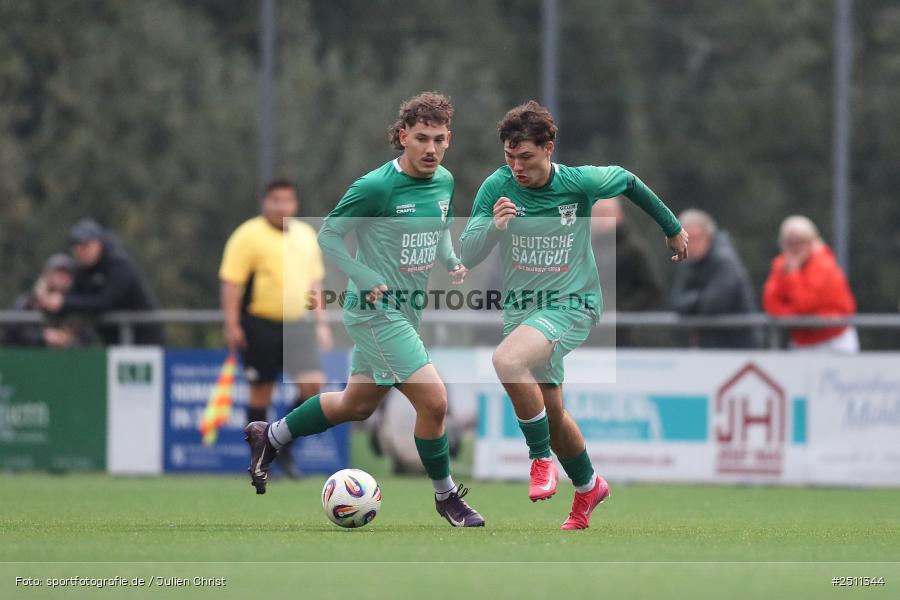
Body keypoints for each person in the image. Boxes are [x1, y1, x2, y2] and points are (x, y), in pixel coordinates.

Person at [243, 92, 484, 527]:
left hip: (407, 311)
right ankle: (447, 496)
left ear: (449, 139)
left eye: (439, 139)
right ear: (402, 136)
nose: (431, 149)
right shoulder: (376, 187)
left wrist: (451, 260)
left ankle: (270, 435)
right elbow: (329, 237)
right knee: (434, 400)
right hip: (375, 311)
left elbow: (442, 228)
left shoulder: (444, 181)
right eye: (421, 138)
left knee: (356, 405)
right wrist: (365, 275)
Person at [460, 101, 688, 530]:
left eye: (525, 157)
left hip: (573, 302)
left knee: (507, 361)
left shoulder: (579, 182)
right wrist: (493, 225)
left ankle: (539, 459)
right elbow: (468, 253)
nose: (517, 167)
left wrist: (671, 226)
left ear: (549, 148)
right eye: (509, 157)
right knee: (554, 413)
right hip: (523, 312)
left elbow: (629, 181)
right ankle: (588, 487)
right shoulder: (497, 187)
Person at [219, 179, 333, 476]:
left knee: (313, 387)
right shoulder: (247, 235)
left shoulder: (306, 234)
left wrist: (322, 323)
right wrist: (232, 324)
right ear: (265, 202)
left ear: (295, 204)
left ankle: (283, 447)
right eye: (275, 201)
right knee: (261, 395)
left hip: (299, 325)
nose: (282, 207)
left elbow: (315, 283)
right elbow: (231, 282)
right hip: (260, 325)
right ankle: (259, 460)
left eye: (287, 201)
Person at [37, 219, 163, 345]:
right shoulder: (83, 269)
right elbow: (75, 297)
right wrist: (50, 302)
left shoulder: (119, 266)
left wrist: (64, 302)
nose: (80, 251)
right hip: (114, 342)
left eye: (85, 245)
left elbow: (105, 302)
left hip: (144, 341)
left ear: (98, 244)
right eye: (77, 246)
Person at [763, 215, 858, 352]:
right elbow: (772, 305)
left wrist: (793, 274)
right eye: (789, 243)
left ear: (812, 242)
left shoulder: (823, 265)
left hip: (833, 340)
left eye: (800, 242)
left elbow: (805, 304)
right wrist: (796, 318)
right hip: (802, 341)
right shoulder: (782, 266)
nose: (795, 248)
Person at [668, 209, 761, 348]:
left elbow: (713, 305)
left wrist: (693, 301)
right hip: (711, 345)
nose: (691, 245)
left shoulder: (724, 261)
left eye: (696, 238)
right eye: (686, 239)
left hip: (739, 345)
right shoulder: (689, 261)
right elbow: (676, 302)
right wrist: (701, 297)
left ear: (709, 236)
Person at [589, 196, 664, 346]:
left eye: (605, 213)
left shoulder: (633, 249)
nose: (601, 219)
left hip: (623, 336)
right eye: (596, 213)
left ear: (619, 215)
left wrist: (623, 311)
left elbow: (652, 288)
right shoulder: (585, 247)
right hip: (588, 334)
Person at [5, 254, 95, 348]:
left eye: (67, 274)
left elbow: (87, 338)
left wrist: (67, 339)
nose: (63, 278)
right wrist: (42, 336)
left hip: (69, 358)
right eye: (59, 273)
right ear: (48, 275)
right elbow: (12, 329)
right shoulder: (30, 300)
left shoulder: (77, 303)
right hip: (31, 356)